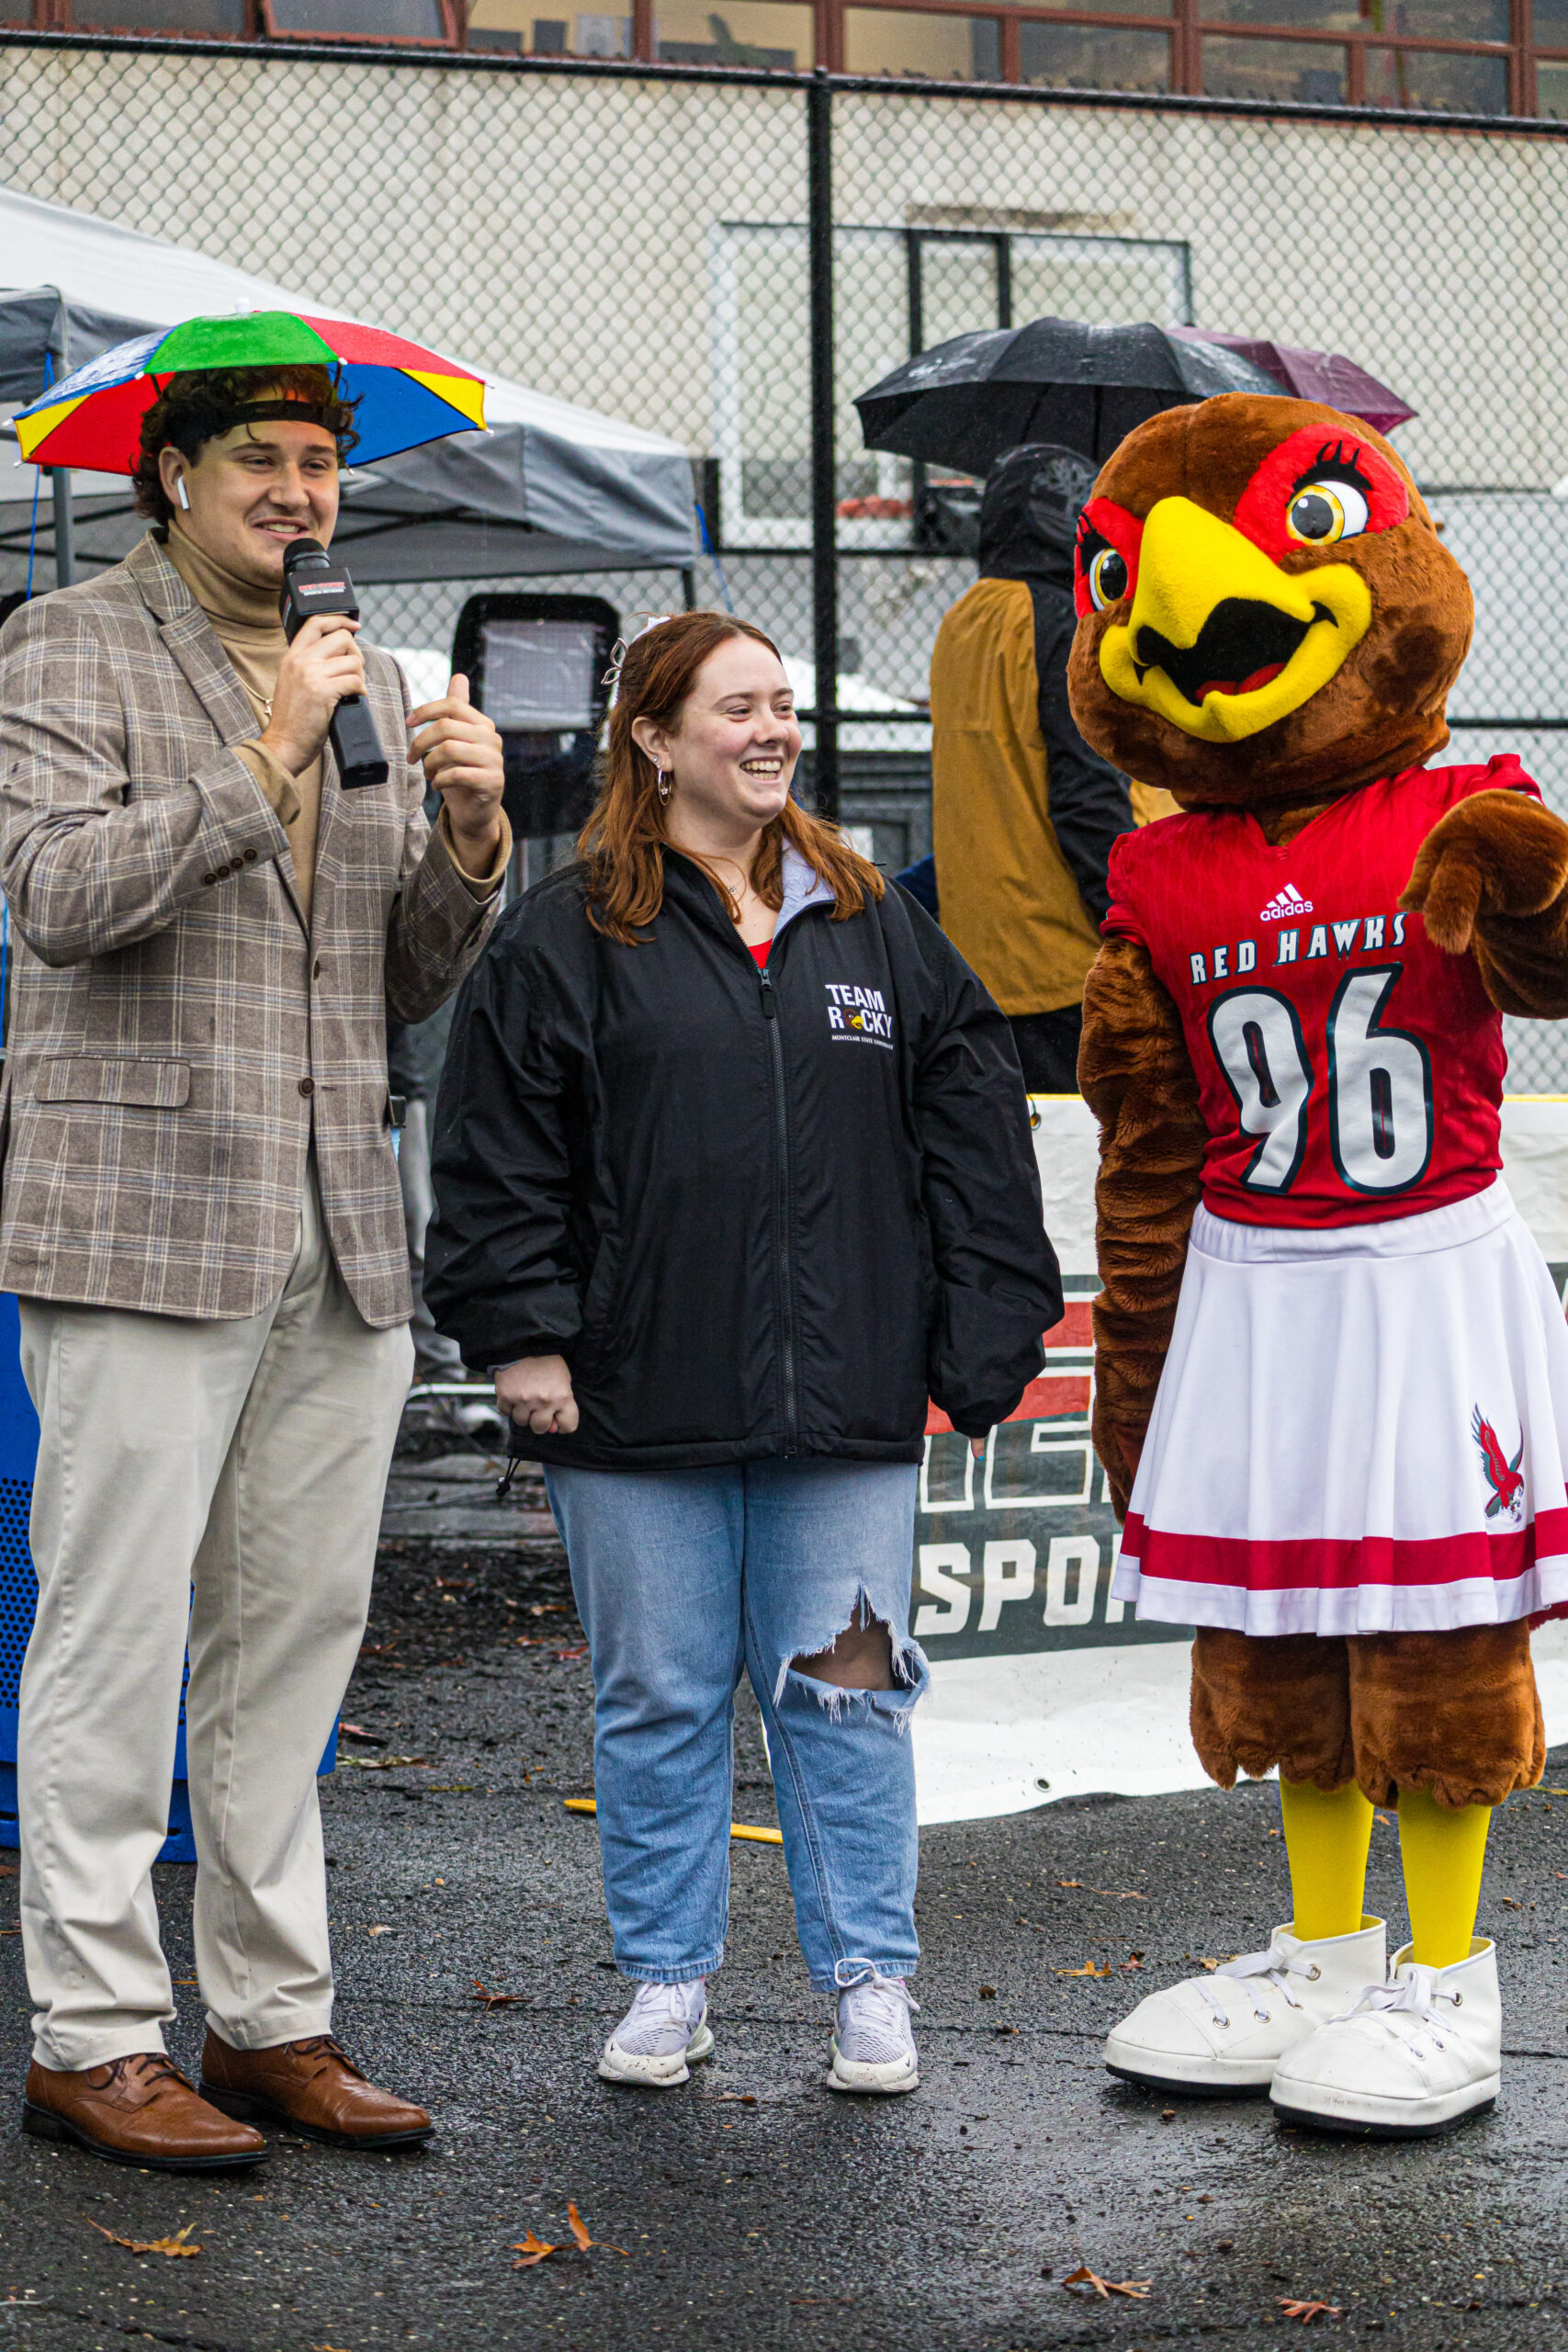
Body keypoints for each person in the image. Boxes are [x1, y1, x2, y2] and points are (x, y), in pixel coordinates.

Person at [425, 610, 1059, 2094]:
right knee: (657, 1696)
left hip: (834, 1404)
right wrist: (521, 1334)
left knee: (845, 1690)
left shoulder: (874, 925)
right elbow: (497, 1154)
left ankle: (869, 1987)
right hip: (630, 1403)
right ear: (651, 741)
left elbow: (973, 1143)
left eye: (782, 706)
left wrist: (984, 1334)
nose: (773, 731)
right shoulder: (565, 933)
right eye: (736, 709)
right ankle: (666, 1980)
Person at [0, 361, 510, 2169]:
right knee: (115, 1641)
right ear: (169, 477)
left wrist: (468, 836)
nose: (301, 493)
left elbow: (388, 974)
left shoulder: (350, 671)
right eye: (261, 463)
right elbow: (57, 895)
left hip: (336, 1224)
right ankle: (89, 2032)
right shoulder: (67, 646)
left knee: (286, 1646)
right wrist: (266, 752)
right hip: (138, 1207)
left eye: (321, 463)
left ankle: (269, 2017)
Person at [930, 442, 1173, 1094]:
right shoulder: (1061, 620)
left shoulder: (963, 617)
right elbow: (1087, 791)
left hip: (984, 955)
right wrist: (1134, 931)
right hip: (1069, 960)